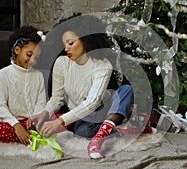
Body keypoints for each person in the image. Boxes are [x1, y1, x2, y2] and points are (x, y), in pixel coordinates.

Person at [31, 14, 148, 159]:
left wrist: (59, 122)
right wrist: (45, 113)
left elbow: (93, 102)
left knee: (126, 90)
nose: (66, 48)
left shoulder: (103, 64)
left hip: (105, 109)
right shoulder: (62, 63)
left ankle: (99, 138)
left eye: (71, 43)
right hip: (83, 116)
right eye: (64, 44)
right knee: (82, 131)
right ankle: (128, 129)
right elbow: (57, 98)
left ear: (85, 40)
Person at [0, 26, 46, 146]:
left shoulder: (38, 75)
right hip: (14, 123)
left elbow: (41, 102)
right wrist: (16, 125)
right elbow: (0, 107)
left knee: (60, 119)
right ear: (17, 50)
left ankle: (32, 135)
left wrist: (35, 118)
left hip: (34, 122)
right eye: (29, 54)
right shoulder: (3, 75)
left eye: (36, 57)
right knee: (0, 131)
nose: (33, 60)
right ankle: (29, 136)